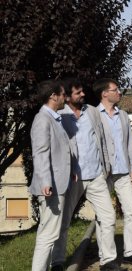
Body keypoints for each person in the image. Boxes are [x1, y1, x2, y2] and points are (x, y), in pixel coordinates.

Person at [53, 78, 121, 271]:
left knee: (108, 217)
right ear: (66, 97)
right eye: (78, 93)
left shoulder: (91, 111)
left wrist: (106, 167)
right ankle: (57, 262)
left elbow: (102, 139)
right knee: (64, 221)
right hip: (72, 178)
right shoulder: (60, 115)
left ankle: (107, 261)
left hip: (96, 175)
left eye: (82, 91)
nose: (83, 94)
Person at [95, 78, 132, 267]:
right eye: (115, 90)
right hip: (104, 172)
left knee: (131, 211)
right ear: (105, 94)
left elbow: (129, 143)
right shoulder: (94, 115)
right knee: (103, 216)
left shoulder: (123, 115)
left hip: (124, 171)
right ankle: (105, 256)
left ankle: (130, 252)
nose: (119, 93)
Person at [29, 80, 70, 271]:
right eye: (62, 94)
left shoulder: (54, 118)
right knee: (47, 235)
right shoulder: (43, 119)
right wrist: (46, 182)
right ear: (53, 96)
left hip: (57, 184)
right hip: (50, 187)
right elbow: (40, 153)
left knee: (50, 234)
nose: (65, 97)